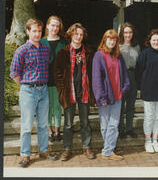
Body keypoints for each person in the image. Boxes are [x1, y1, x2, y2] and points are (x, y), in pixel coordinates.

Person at [10, 18, 57, 168]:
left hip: (44, 90)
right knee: (27, 125)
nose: (37, 34)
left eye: (39, 31)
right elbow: (14, 74)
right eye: (34, 31)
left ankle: (44, 150)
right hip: (28, 91)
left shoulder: (45, 48)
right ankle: (25, 154)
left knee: (43, 124)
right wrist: (27, 86)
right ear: (28, 31)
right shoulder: (21, 51)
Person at [54, 23, 95, 161]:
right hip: (68, 92)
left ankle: (86, 146)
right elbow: (57, 73)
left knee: (85, 122)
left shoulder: (89, 52)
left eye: (81, 34)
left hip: (84, 91)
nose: (78, 36)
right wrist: (62, 90)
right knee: (68, 123)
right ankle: (67, 148)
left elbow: (93, 72)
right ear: (71, 34)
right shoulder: (63, 53)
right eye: (76, 34)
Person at [92, 29, 130, 161]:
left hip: (118, 95)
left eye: (114, 39)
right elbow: (96, 78)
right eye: (109, 39)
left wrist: (125, 88)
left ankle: (108, 150)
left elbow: (125, 74)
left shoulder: (118, 56)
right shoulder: (99, 55)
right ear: (104, 40)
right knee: (105, 125)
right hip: (105, 96)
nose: (112, 41)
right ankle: (108, 149)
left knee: (114, 124)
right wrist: (101, 97)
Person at [135, 29, 158, 154]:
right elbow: (138, 72)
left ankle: (155, 139)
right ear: (149, 41)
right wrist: (142, 87)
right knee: (149, 116)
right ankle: (147, 140)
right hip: (148, 90)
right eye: (154, 40)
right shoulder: (144, 54)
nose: (156, 42)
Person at [40, 15, 67, 142]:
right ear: (47, 26)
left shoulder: (63, 42)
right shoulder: (41, 42)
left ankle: (57, 131)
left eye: (57, 26)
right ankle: (49, 131)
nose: (55, 28)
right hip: (44, 80)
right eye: (52, 25)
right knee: (46, 107)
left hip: (59, 81)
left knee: (57, 106)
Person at [118, 22, 140, 139]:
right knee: (121, 105)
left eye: (130, 32)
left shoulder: (136, 46)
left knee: (131, 105)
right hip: (122, 76)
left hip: (133, 75)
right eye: (126, 32)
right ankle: (121, 129)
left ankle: (129, 128)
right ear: (122, 33)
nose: (128, 35)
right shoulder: (118, 46)